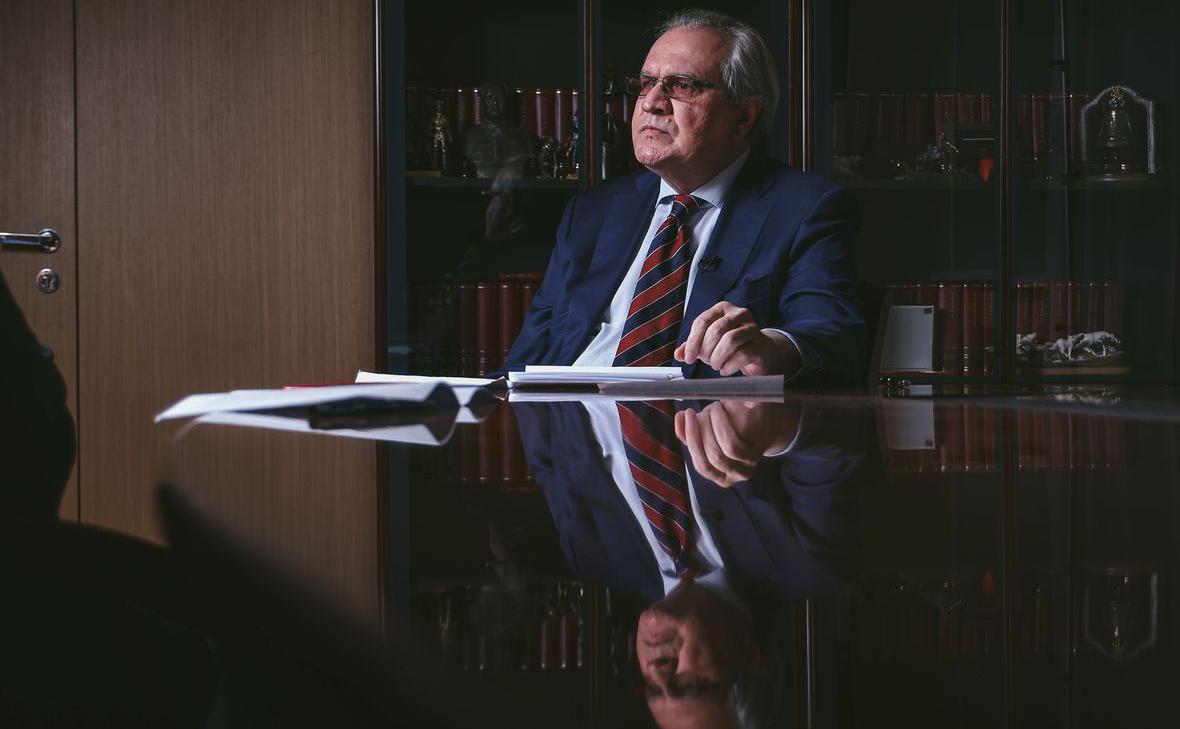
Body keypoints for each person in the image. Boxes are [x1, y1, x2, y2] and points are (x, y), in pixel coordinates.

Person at [502, 9, 863, 384]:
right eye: (645, 84)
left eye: (682, 86)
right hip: (567, 414)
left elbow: (830, 336)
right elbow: (524, 362)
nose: (650, 102)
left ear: (743, 117)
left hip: (697, 417)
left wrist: (771, 348)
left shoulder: (806, 209)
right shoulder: (592, 212)